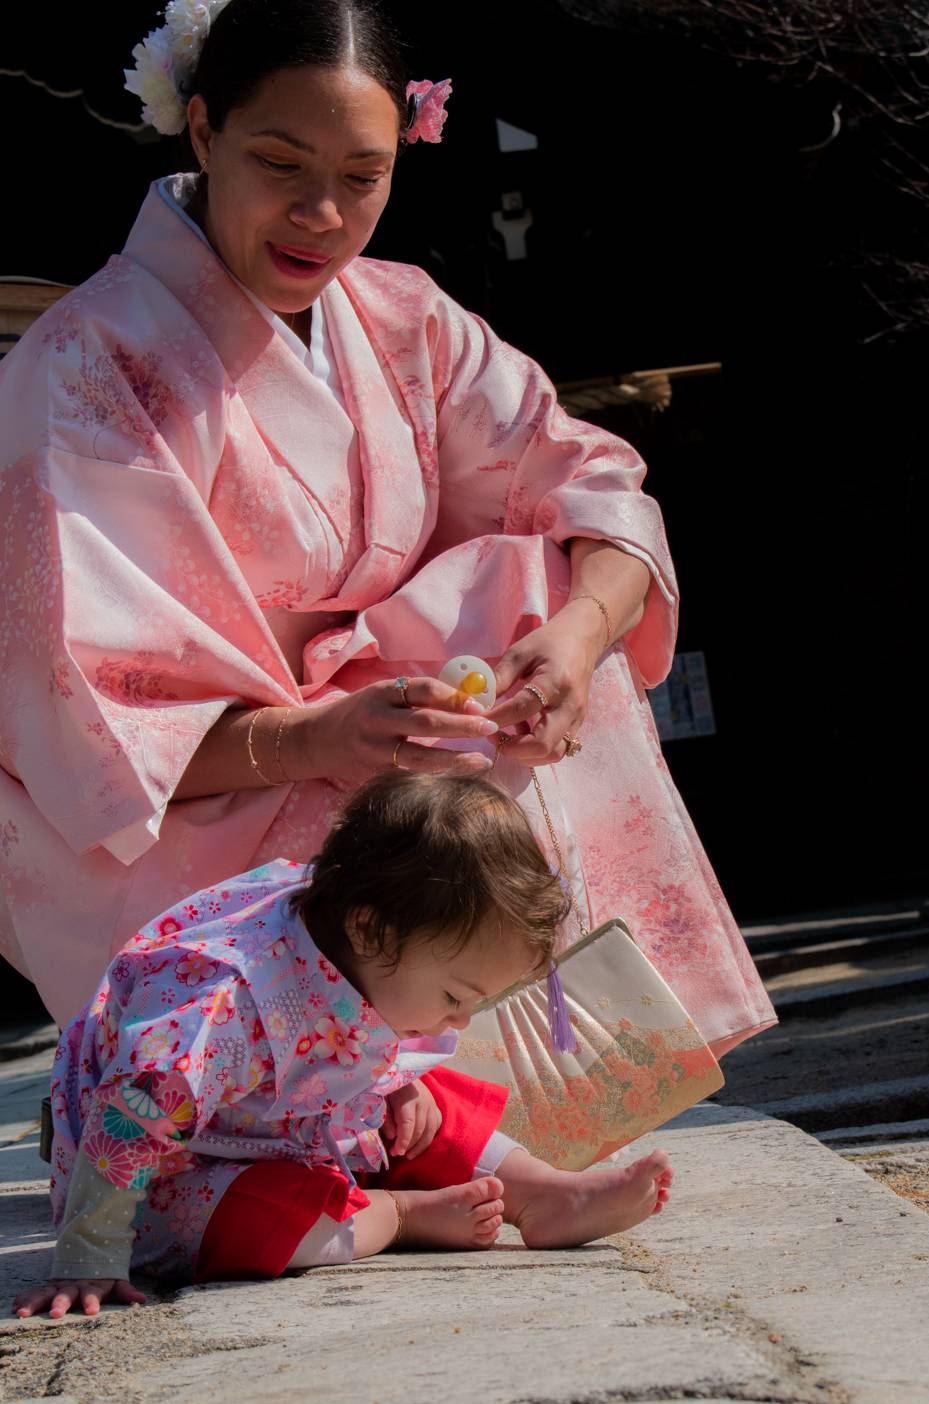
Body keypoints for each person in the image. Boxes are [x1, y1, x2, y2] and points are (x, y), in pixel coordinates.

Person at [0, 0, 776, 1070]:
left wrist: (581, 631)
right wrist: (318, 738)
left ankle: (570, 1086)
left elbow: (587, 481)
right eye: (280, 161)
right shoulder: (87, 367)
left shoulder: (404, 317)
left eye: (362, 178)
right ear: (203, 130)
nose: (320, 212)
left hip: (383, 743)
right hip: (200, 818)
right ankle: (422, 1107)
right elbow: (85, 727)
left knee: (539, 603)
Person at [12, 771, 675, 1320]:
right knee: (269, 1224)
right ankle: (397, 1217)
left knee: (431, 1111)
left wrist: (396, 1080)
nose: (461, 1020)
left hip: (286, 1119)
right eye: (455, 997)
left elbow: (354, 1031)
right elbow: (132, 1115)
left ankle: (544, 1192)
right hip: (174, 1163)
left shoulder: (360, 942)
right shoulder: (223, 1006)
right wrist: (87, 1257)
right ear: (370, 931)